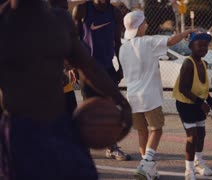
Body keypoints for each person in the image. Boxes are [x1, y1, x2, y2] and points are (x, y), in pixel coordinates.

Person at [0, 0, 132, 179]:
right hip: (20, 130)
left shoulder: (59, 21)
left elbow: (88, 66)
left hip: (61, 123)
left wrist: (120, 100)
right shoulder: (5, 24)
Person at [119, 10, 195, 180]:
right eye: (144, 22)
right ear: (139, 27)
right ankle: (146, 163)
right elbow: (170, 41)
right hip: (149, 97)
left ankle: (149, 169)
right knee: (157, 129)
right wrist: (187, 32)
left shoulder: (124, 48)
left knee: (142, 132)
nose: (147, 24)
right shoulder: (148, 42)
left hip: (132, 98)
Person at [72, 0, 131, 161]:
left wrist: (121, 66)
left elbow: (118, 43)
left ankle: (111, 147)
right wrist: (73, 66)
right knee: (89, 110)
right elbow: (73, 40)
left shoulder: (115, 13)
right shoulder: (82, 10)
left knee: (111, 109)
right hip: (86, 68)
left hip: (107, 68)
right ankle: (82, 148)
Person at [172, 32, 212, 180]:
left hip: (197, 103)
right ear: (191, 46)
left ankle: (199, 163)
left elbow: (202, 88)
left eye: (205, 45)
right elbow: (183, 88)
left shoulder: (203, 63)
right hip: (185, 104)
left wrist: (211, 103)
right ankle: (189, 170)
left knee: (201, 134)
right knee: (192, 137)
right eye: (200, 45)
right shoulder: (188, 63)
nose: (203, 48)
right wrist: (201, 103)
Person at [49, 0, 78, 114]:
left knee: (72, 121)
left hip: (67, 88)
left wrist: (71, 67)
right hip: (49, 90)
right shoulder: (42, 23)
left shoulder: (63, 22)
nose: (67, 2)